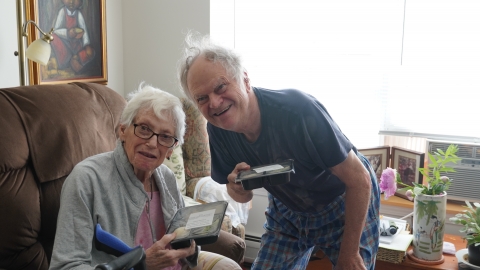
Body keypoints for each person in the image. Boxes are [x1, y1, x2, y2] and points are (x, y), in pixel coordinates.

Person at [177, 32, 380, 270]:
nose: (214, 103)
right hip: (287, 209)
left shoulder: (298, 111)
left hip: (343, 200)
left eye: (221, 87)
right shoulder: (218, 130)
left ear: (244, 79)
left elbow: (359, 179)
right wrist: (237, 189)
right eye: (202, 98)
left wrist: (350, 253)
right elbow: (243, 196)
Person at [49, 83, 242, 270]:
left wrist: (190, 249)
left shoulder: (166, 178)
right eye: (144, 129)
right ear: (123, 130)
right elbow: (65, 266)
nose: (151, 143)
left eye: (165, 137)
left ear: (171, 149)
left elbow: (182, 240)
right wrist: (141, 265)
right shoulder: (87, 180)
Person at [50, 0, 95, 73]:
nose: (72, 1)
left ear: (80, 2)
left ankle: (76, 58)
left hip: (76, 45)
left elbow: (84, 31)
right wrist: (67, 33)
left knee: (91, 52)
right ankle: (69, 60)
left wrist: (87, 45)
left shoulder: (79, 14)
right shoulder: (62, 12)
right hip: (65, 45)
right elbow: (56, 30)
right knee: (53, 37)